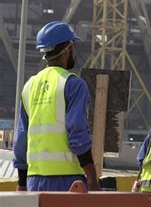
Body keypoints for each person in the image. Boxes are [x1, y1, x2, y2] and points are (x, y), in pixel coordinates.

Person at [13, 21, 101, 191]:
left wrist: (22, 183)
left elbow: (21, 139)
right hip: (67, 181)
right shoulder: (73, 84)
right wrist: (92, 179)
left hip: (34, 181)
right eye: (74, 46)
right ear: (68, 49)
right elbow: (78, 134)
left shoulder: (29, 86)